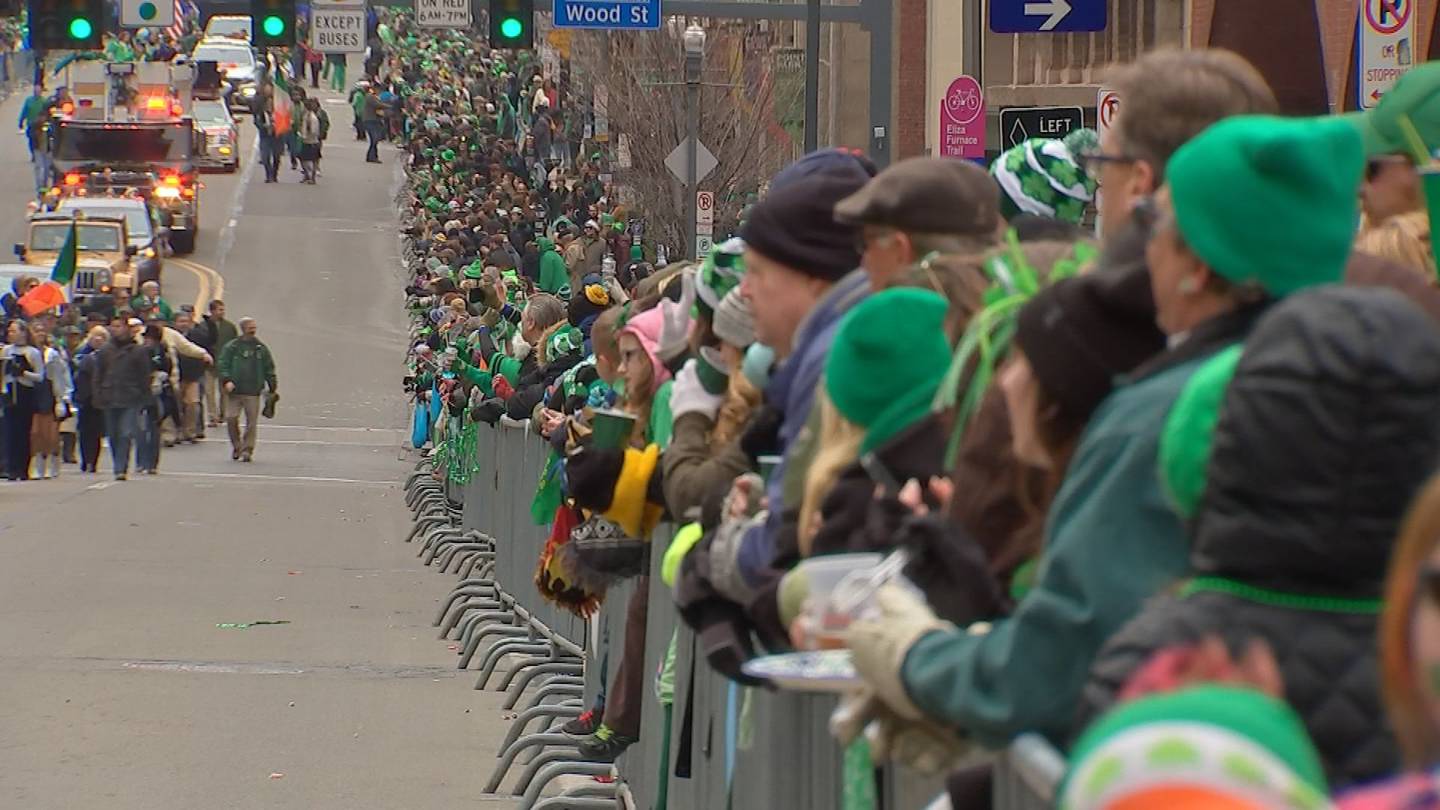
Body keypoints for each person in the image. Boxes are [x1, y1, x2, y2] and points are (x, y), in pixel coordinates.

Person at [845, 112, 1366, 750]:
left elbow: (1060, 662)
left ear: (1197, 266)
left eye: (1158, 221)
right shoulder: (1378, 378)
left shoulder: (1170, 414)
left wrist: (916, 660)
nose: (1142, 243)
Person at [832, 155, 1003, 288]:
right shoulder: (1014, 323)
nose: (863, 262)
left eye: (865, 244)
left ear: (900, 250)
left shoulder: (885, 331)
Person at [93, 317, 152, 480]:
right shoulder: (105, 350)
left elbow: (144, 376)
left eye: (119, 326)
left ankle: (121, 468)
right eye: (113, 326)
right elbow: (98, 374)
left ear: (127, 328)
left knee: (125, 433)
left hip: (130, 398)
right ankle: (117, 463)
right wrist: (97, 395)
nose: (115, 329)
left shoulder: (138, 350)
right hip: (109, 396)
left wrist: (145, 397)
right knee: (113, 434)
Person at [217, 317, 276, 463]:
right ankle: (236, 445)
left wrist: (272, 386)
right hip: (234, 391)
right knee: (231, 418)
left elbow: (269, 368)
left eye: (254, 327)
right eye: (250, 327)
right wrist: (227, 379)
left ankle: (247, 449)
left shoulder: (260, 348)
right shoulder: (232, 347)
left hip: (253, 391)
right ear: (243, 328)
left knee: (251, 422)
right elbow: (223, 364)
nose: (253, 329)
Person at [28, 321, 71, 479]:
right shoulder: (28, 352)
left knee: (50, 434)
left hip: (49, 393)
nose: (39, 334)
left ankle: (52, 460)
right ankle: (36, 463)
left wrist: (62, 398)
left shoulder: (52, 354)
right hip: (32, 393)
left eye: (42, 331)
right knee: (35, 432)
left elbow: (61, 376)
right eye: (36, 330)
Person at [1, 320, 41, 480]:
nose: (11, 334)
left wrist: (23, 373)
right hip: (10, 392)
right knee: (9, 431)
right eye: (9, 331)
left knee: (23, 431)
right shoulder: (6, 351)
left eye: (14, 331)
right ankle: (10, 467)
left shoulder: (32, 352)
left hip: (25, 393)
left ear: (23, 333)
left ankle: (22, 468)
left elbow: (40, 376)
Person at [193, 299, 237, 430]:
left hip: (225, 364)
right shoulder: (203, 326)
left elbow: (235, 345)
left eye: (223, 309)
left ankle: (223, 414)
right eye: (219, 309)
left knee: (224, 392)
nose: (222, 312)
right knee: (209, 392)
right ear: (212, 311)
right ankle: (213, 416)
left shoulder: (229, 327)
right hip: (209, 364)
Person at [72, 325, 106, 473]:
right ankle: (85, 460)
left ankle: (93, 461)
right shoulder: (82, 354)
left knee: (96, 431)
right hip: (85, 398)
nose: (98, 339)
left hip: (100, 398)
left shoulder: (107, 355)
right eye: (95, 336)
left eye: (102, 337)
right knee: (85, 431)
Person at [173, 311, 205, 443]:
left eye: (186, 321)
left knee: (192, 404)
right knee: (176, 405)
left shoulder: (197, 336)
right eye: (181, 321)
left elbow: (205, 348)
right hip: (175, 376)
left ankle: (190, 431)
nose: (184, 324)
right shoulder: (171, 336)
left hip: (192, 376)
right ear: (175, 323)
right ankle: (177, 431)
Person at [253, 84, 281, 183]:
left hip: (277, 136)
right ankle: (268, 174)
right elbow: (256, 120)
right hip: (265, 135)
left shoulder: (279, 105)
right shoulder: (260, 107)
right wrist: (263, 126)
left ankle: (274, 174)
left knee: (277, 156)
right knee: (265, 156)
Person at [298, 98, 322, 185]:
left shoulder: (312, 118)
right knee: (302, 159)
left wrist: (306, 134)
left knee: (314, 160)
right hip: (306, 141)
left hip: (312, 141)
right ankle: (307, 174)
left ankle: (312, 177)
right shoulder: (305, 116)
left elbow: (314, 131)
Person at [362, 85, 384, 164]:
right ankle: (372, 156)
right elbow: (377, 105)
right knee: (374, 138)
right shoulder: (370, 97)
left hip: (374, 120)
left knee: (374, 139)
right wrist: (389, 106)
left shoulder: (373, 97)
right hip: (370, 120)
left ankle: (372, 156)